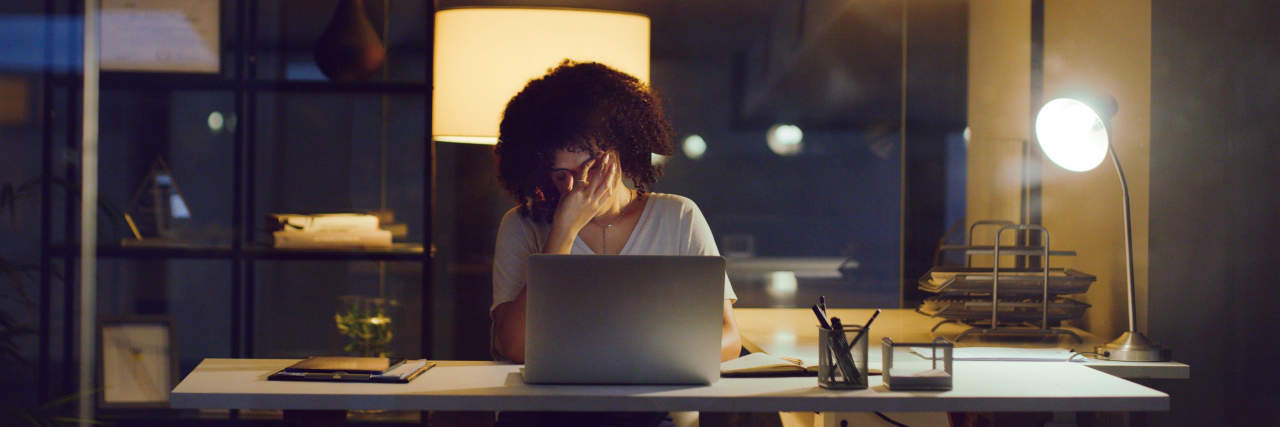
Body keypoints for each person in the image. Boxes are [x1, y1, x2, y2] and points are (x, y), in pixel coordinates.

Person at [489, 60, 742, 365]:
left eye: (592, 167)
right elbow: (515, 347)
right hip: (549, 407)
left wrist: (637, 362)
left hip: (650, 402)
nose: (579, 185)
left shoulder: (678, 217)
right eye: (561, 175)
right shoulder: (522, 224)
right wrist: (563, 231)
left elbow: (728, 337)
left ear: (622, 150)